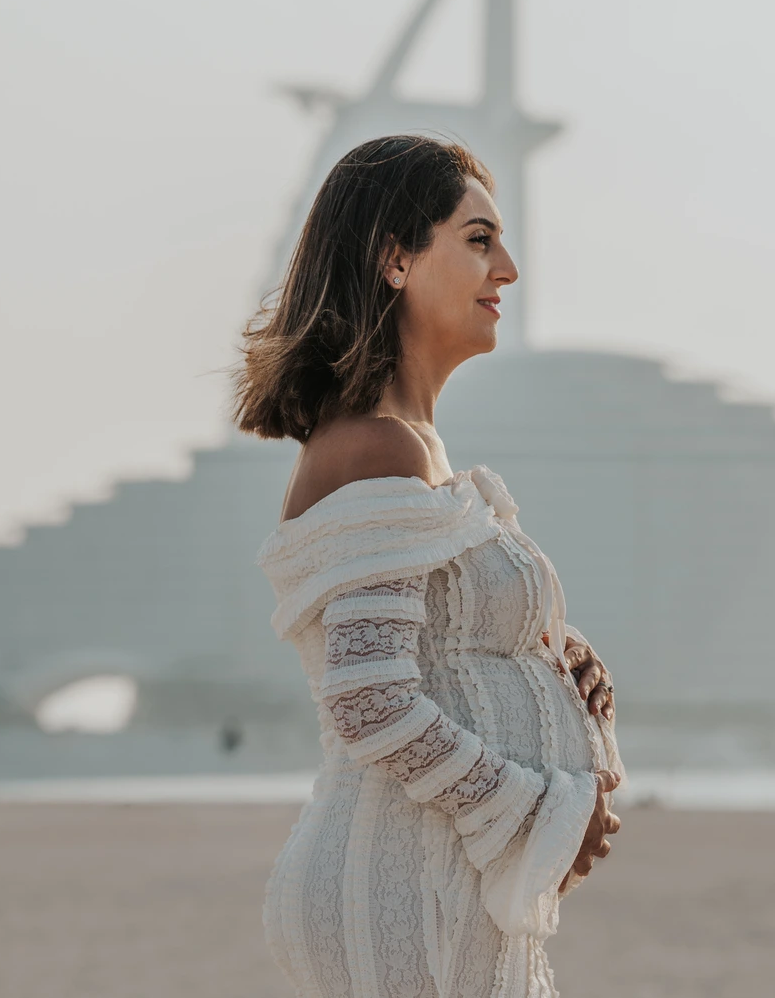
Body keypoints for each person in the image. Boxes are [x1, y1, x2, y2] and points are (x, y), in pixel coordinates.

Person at [235, 134, 624, 997]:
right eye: (479, 239)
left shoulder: (413, 451)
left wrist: (549, 652)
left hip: (433, 882)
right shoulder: (377, 448)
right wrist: (537, 811)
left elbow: (427, 642)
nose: (509, 269)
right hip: (402, 887)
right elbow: (371, 695)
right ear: (396, 258)